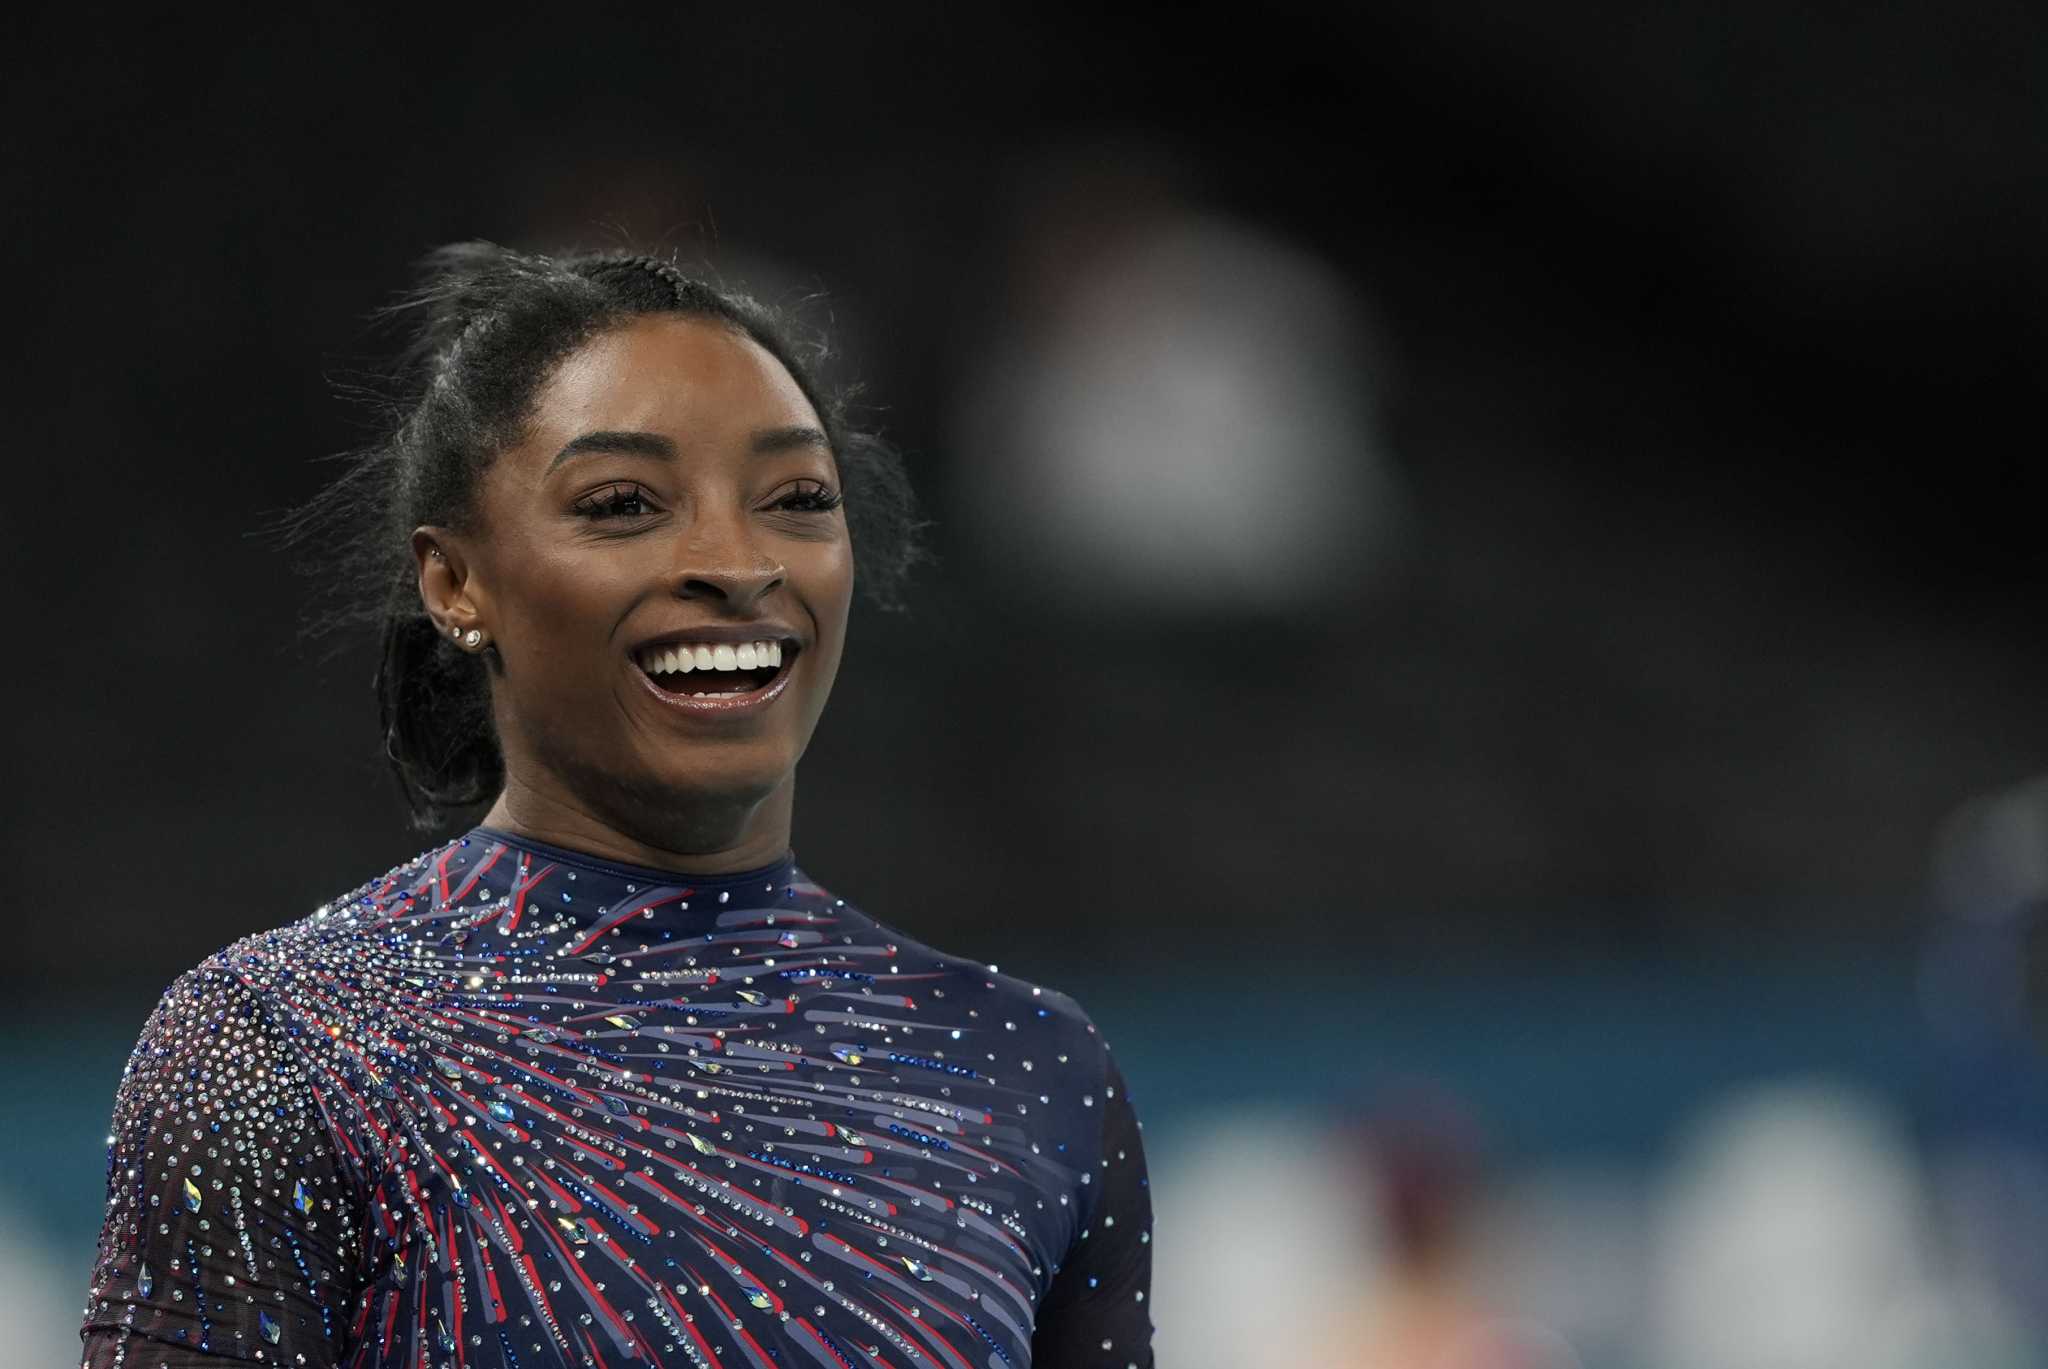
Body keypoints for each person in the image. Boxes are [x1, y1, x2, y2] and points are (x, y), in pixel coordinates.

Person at [79, 245, 1154, 1368]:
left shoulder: (1024, 1063)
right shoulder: (287, 1043)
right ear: (457, 583)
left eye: (796, 498)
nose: (735, 561)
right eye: (623, 503)